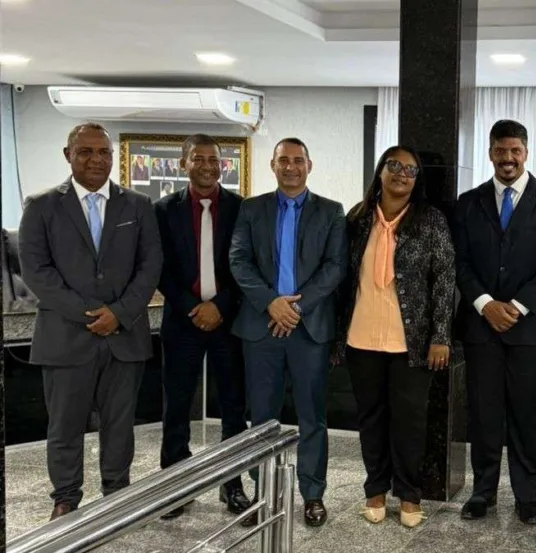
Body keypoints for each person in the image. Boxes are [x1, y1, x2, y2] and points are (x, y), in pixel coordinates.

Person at [18, 122, 163, 520]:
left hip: (124, 336)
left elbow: (150, 265)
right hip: (66, 337)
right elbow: (36, 272)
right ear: (68, 155)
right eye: (86, 152)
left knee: (120, 424)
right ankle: (65, 498)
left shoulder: (138, 206)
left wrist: (119, 313)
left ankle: (116, 494)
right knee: (65, 426)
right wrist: (90, 313)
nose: (96, 159)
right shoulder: (41, 206)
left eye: (103, 152)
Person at [453, 119, 536, 525]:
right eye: (501, 151)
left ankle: (527, 497)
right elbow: (461, 262)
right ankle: (482, 492)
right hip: (481, 327)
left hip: (531, 330)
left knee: (525, 416)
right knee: (484, 415)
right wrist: (485, 304)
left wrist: (518, 306)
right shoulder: (468, 203)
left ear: (526, 153)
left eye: (515, 151)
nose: (508, 158)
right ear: (490, 153)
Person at [229, 137, 347, 527]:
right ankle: (263, 494)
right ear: (273, 165)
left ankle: (312, 494)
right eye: (284, 160)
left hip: (308, 328)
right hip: (261, 327)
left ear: (309, 166)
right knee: (262, 418)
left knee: (312, 416)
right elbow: (239, 260)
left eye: (298, 160)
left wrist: (295, 307)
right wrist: (271, 303)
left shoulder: (331, 211)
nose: (291, 167)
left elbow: (335, 266)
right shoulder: (251, 209)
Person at [337, 145, 456, 528]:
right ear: (381, 171)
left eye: (411, 169)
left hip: (412, 342)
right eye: (395, 166)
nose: (402, 174)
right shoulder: (357, 218)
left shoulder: (430, 220)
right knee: (370, 418)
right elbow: (343, 278)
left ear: (417, 180)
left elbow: (445, 280)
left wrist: (441, 335)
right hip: (361, 337)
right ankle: (374, 490)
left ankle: (408, 494)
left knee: (409, 421)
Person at [154, 134, 250, 519]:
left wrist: (219, 306)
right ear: (184, 163)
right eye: (199, 158)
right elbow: (159, 269)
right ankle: (176, 488)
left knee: (234, 408)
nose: (208, 165)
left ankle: (233, 484)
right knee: (177, 407)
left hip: (229, 321)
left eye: (214, 159)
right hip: (183, 321)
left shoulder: (242, 209)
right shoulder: (163, 210)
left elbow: (247, 265)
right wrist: (195, 307)